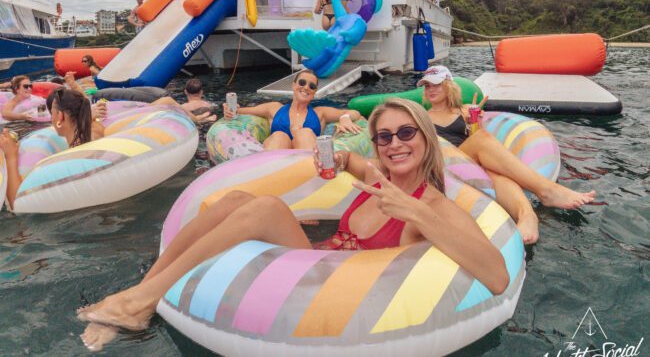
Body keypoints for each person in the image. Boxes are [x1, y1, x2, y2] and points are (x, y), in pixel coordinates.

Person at [77, 98, 508, 350]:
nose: (394, 144)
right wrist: (338, 158)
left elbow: (497, 275)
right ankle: (140, 297)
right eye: (384, 136)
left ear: (426, 138)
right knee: (235, 198)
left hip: (338, 289)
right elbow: (353, 161)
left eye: (406, 134)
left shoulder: (432, 204)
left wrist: (415, 213)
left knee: (263, 208)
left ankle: (137, 303)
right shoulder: (379, 176)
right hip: (314, 259)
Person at [420, 66, 597, 244]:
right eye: (427, 86)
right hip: (446, 163)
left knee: (496, 172)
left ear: (448, 86)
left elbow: (476, 136)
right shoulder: (422, 117)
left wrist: (474, 121)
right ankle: (547, 190)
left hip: (470, 163)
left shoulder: (464, 111)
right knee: (482, 139)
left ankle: (528, 217)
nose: (430, 90)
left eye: (436, 85)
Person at [0, 88, 106, 210]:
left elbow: (18, 205)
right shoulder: (97, 132)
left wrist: (11, 157)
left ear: (60, 117)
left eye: (52, 114)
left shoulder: (66, 161)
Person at [222, 70, 362, 150]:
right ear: (294, 85)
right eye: (302, 83)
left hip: (304, 163)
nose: (306, 87)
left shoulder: (320, 113)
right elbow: (240, 111)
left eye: (311, 86)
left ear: (314, 92)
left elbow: (355, 113)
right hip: (277, 159)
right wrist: (230, 110)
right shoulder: (274, 108)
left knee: (305, 133)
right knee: (279, 136)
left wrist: (344, 118)